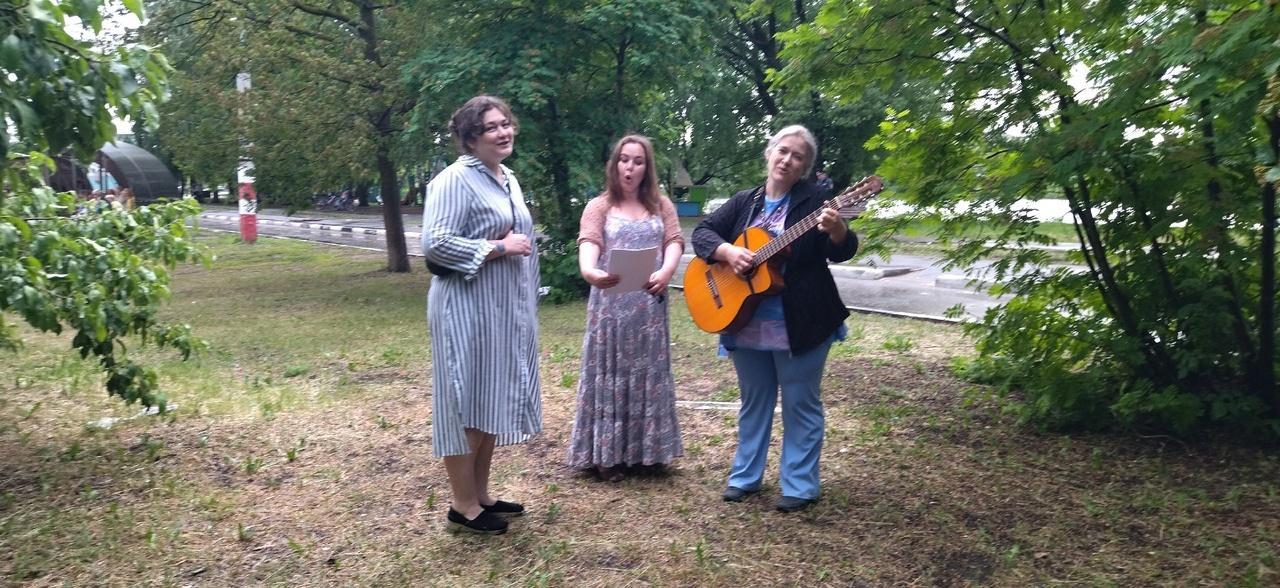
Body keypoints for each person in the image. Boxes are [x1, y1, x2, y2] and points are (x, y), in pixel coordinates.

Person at [691, 125, 857, 513]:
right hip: (743, 317)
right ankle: (745, 478)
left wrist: (838, 230)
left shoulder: (818, 202)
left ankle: (799, 485)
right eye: (783, 151)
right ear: (769, 154)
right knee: (754, 400)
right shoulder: (744, 201)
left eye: (797, 157)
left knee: (800, 402)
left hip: (801, 319)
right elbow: (702, 232)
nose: (787, 160)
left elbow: (843, 251)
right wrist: (728, 253)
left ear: (805, 168)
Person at [421, 95, 541, 535]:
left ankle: (482, 494)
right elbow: (434, 244)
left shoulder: (506, 177)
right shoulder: (454, 180)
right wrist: (497, 247)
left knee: (490, 398)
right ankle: (462, 506)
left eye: (507, 123)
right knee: (467, 403)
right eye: (492, 127)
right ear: (471, 137)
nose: (504, 132)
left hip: (501, 308)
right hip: (465, 308)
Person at [567, 135, 685, 482]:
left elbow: (675, 241)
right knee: (611, 377)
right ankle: (606, 456)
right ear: (614, 164)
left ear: (647, 167)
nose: (630, 167)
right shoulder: (598, 206)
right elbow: (589, 244)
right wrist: (591, 271)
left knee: (649, 377)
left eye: (637, 161)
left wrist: (666, 271)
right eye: (624, 160)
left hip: (650, 309)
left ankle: (649, 453)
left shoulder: (661, 205)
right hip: (611, 311)